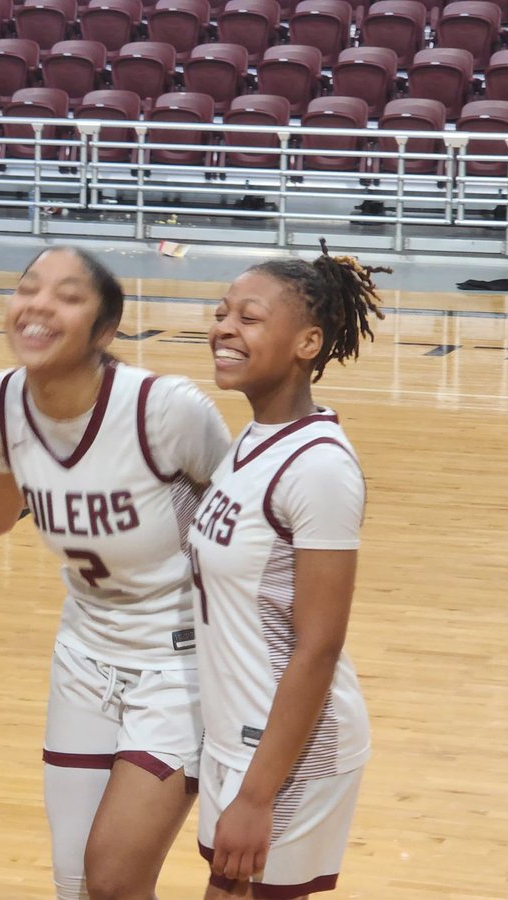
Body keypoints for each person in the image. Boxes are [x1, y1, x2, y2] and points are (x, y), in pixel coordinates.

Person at [0, 246, 232, 900]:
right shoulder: (3, 403)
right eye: (28, 288)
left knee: (113, 880)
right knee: (74, 884)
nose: (39, 304)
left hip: (178, 667)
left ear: (106, 332)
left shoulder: (167, 410)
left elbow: (256, 527)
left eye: (68, 296)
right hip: (83, 657)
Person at [188, 244, 386, 899]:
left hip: (287, 753)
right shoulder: (251, 438)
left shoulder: (320, 467)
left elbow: (319, 646)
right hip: (238, 735)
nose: (223, 327)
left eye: (248, 317)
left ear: (307, 342)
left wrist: (257, 792)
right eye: (221, 313)